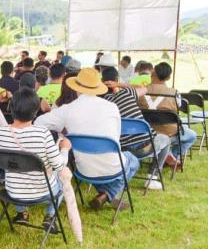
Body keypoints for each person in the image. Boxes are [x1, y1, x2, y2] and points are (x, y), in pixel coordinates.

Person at [35, 68, 139, 211]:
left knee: (105, 164)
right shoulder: (111, 107)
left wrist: (61, 131)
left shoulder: (68, 109)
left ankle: (105, 194)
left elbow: (38, 122)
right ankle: (107, 194)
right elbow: (116, 138)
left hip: (83, 168)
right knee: (133, 160)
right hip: (112, 165)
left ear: (76, 87)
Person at [0, 88, 70, 228]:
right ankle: (50, 215)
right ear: (36, 111)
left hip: (12, 190)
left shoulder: (0, 132)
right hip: (42, 191)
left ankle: (22, 213)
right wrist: (65, 149)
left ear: (11, 108)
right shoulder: (43, 133)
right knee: (62, 180)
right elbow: (59, 165)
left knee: (17, 171)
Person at [100, 67, 171, 189]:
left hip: (122, 150)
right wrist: (119, 84)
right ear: (116, 79)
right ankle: (152, 177)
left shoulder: (102, 103)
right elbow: (144, 88)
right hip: (145, 147)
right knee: (165, 139)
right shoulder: (127, 93)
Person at [138, 62, 197, 166]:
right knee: (192, 135)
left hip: (145, 132)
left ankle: (167, 155)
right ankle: (171, 156)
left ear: (152, 73)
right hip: (169, 132)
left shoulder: (141, 91)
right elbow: (178, 106)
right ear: (169, 77)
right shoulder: (174, 93)